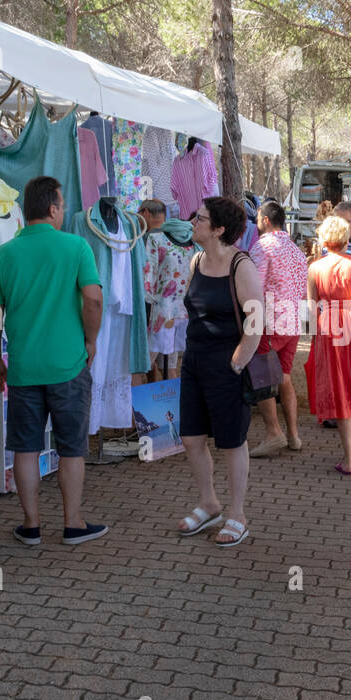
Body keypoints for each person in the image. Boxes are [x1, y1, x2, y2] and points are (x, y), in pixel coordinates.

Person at [0, 176, 106, 548]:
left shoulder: (3, 255)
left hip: (23, 368)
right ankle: (73, 525)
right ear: (53, 208)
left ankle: (31, 526)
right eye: (62, 204)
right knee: (72, 448)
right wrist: (90, 339)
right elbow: (94, 299)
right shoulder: (76, 247)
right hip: (68, 365)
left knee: (26, 448)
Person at [176, 196, 263, 547]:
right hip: (195, 360)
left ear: (219, 229)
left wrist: (237, 361)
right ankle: (208, 503)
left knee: (231, 440)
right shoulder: (196, 261)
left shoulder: (242, 266)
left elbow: (256, 320)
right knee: (191, 438)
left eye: (201, 218)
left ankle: (237, 514)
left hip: (227, 364)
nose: (193, 221)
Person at [305, 215, 351, 474]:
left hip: (330, 328)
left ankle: (348, 456)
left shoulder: (315, 268)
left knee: (338, 389)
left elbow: (310, 307)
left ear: (325, 239)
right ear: (346, 238)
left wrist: (315, 336)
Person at [249, 200, 308, 457]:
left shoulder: (263, 246)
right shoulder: (296, 249)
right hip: (293, 320)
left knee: (262, 376)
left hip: (269, 320)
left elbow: (254, 286)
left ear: (265, 220)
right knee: (284, 375)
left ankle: (274, 432)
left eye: (258, 218)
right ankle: (293, 435)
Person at [140, 198, 193, 382]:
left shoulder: (153, 238)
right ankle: (174, 408)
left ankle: (137, 409)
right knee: (170, 365)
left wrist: (147, 300)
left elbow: (148, 275)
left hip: (162, 310)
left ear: (145, 212)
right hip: (184, 310)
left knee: (144, 363)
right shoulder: (191, 239)